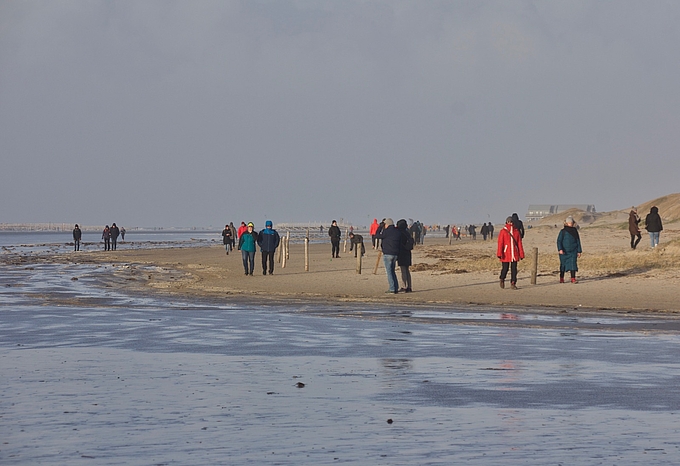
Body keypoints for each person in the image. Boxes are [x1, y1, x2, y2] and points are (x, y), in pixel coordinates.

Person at [497, 216, 524, 289]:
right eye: (509, 221)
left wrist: (521, 254)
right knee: (505, 268)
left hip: (514, 253)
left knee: (514, 269)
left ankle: (513, 283)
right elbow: (500, 243)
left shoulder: (516, 231)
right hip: (506, 254)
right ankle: (502, 278)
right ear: (506, 222)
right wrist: (499, 253)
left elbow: (519, 244)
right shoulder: (503, 231)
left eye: (511, 221)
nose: (510, 223)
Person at [375, 218, 401, 294]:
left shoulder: (386, 232)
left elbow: (377, 235)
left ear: (387, 224)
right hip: (395, 253)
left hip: (388, 253)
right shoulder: (397, 231)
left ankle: (392, 289)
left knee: (389, 272)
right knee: (392, 271)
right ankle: (395, 287)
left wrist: (380, 227)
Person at [557, 216, 582, 283]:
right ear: (566, 223)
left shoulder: (575, 231)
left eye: (571, 222)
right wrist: (560, 249)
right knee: (563, 265)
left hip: (573, 251)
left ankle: (573, 278)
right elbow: (559, 241)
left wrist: (579, 251)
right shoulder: (563, 231)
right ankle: (561, 278)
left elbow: (578, 241)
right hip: (564, 252)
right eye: (569, 223)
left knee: (573, 264)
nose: (570, 224)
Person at [396, 219, 414, 292]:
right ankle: (409, 286)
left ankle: (404, 286)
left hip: (402, 253)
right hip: (408, 253)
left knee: (403, 270)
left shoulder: (400, 233)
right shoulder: (407, 233)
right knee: (407, 270)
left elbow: (399, 244)